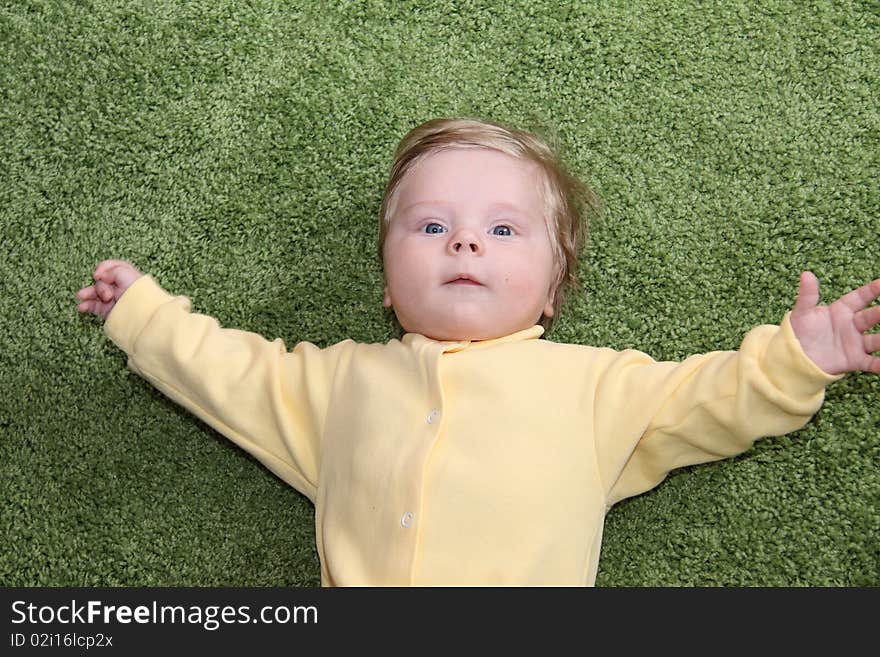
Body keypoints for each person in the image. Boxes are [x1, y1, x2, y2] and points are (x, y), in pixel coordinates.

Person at [75, 117, 880, 586]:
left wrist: (797, 357)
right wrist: (144, 313)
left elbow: (711, 399)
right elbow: (227, 374)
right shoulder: (336, 381)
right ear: (386, 284)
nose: (463, 237)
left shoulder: (595, 387)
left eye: (503, 229)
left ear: (554, 288)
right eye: (431, 226)